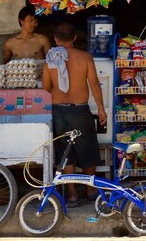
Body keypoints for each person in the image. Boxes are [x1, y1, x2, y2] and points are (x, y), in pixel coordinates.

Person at [42, 22, 107, 205]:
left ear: (55, 38)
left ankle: (71, 194)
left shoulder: (50, 60)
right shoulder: (85, 57)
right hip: (80, 110)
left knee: (65, 152)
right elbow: (94, 84)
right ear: (75, 38)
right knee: (87, 149)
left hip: (58, 112)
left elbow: (47, 87)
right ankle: (90, 189)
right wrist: (101, 109)